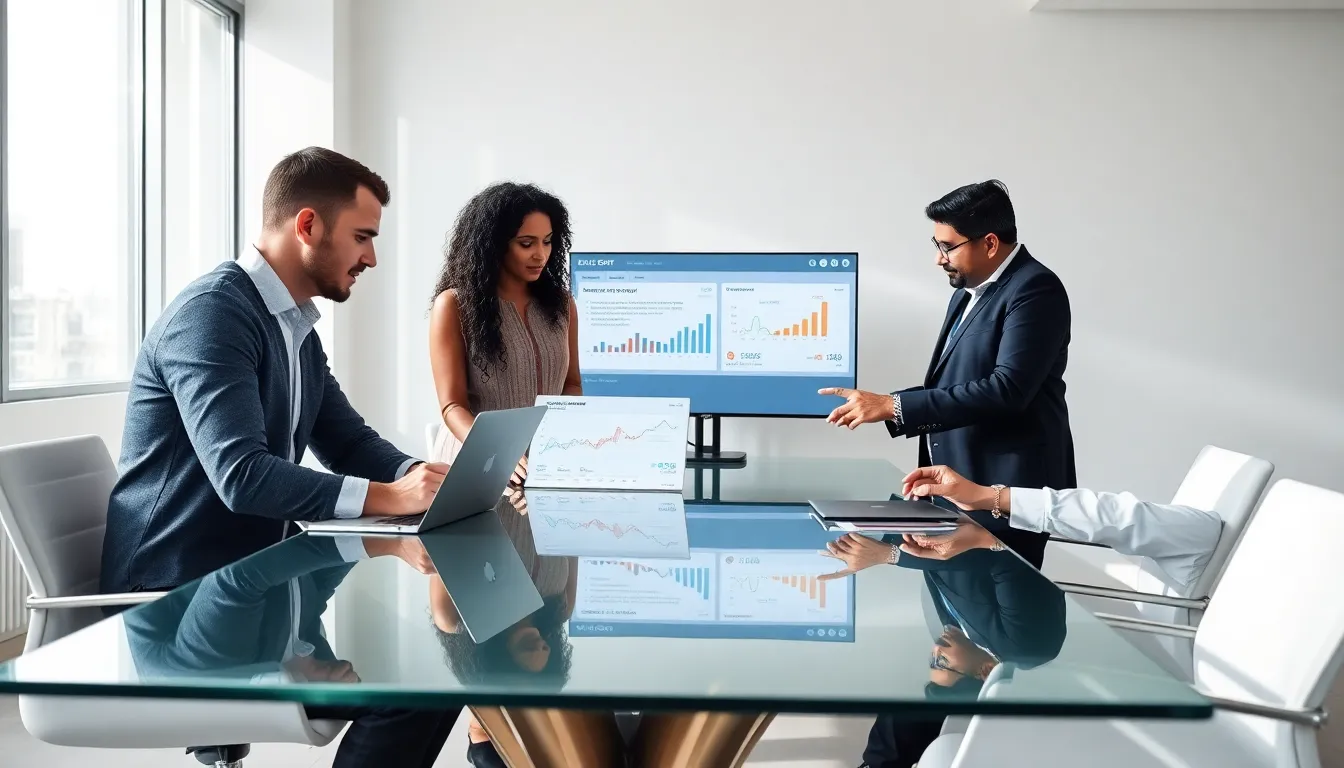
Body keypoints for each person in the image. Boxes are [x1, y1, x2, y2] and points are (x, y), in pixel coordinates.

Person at [99, 146, 457, 767]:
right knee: (413, 684)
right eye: (363, 236)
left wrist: (415, 476)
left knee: (440, 669)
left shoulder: (293, 327)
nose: (372, 256)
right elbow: (241, 476)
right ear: (309, 226)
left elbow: (346, 438)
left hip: (253, 576)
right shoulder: (212, 315)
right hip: (172, 602)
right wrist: (387, 500)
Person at [820, 180, 1073, 568]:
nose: (939, 259)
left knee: (1002, 624)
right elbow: (953, 386)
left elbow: (1008, 389)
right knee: (958, 618)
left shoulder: (1035, 289)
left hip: (1004, 495)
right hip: (958, 491)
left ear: (990, 243)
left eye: (947, 246)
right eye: (936, 245)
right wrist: (887, 405)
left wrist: (895, 406)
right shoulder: (967, 291)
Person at [428, 181, 582, 486]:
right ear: (495, 245)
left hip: (544, 468)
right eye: (526, 243)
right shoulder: (454, 306)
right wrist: (496, 453)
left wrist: (564, 442)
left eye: (548, 241)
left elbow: (572, 385)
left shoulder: (562, 305)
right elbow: (452, 405)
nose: (541, 254)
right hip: (474, 466)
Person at [429, 492, 576, 768]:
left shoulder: (452, 616)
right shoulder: (561, 607)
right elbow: (574, 529)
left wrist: (506, 483)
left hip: (480, 472)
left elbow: (443, 519)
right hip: (550, 477)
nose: (541, 647)